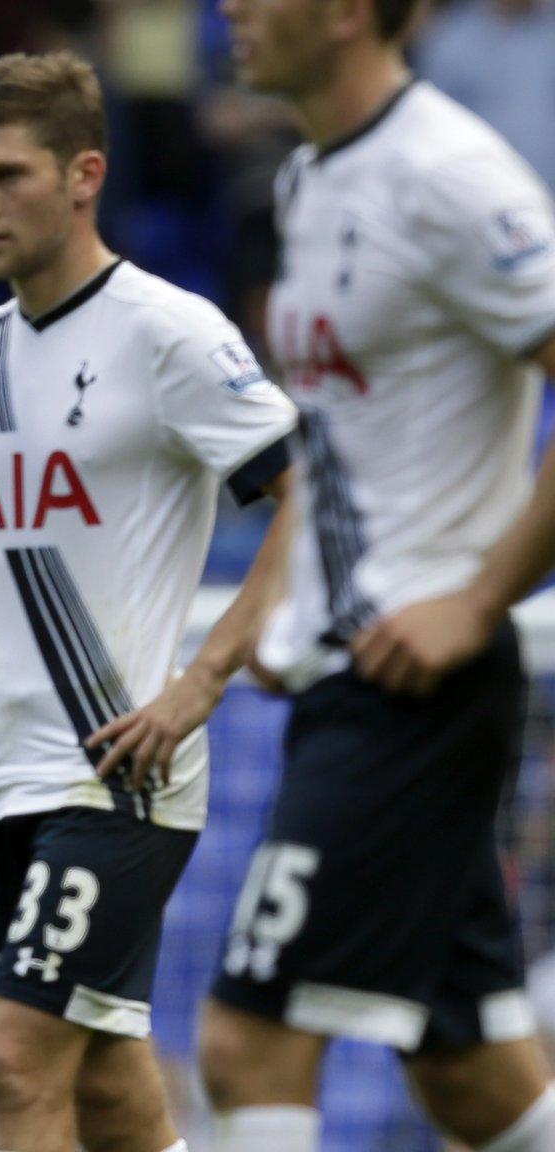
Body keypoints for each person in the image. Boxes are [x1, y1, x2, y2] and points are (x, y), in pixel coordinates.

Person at [0, 52, 298, 1152]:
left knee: (13, 1060)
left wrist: (199, 684)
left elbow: (305, 499)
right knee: (112, 1083)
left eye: (7, 176)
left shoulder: (168, 331)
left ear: (83, 174)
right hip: (10, 770)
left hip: (121, 767)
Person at [203, 2, 555, 1149]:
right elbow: (340, 442)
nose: (229, 10)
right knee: (469, 1075)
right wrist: (279, 603)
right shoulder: (309, 179)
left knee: (245, 1042)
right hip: (350, 661)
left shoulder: (449, 175)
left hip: (412, 681)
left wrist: (474, 597)